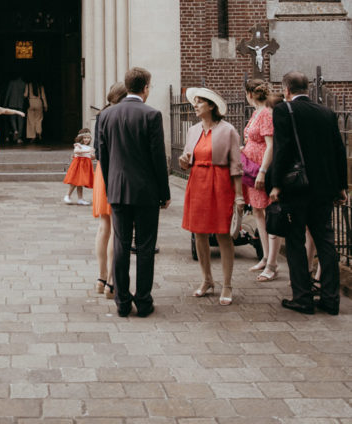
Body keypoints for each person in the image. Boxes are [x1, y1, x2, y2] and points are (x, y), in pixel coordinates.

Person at [270, 70, 348, 316]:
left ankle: (302, 297)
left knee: (295, 241)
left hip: (296, 188)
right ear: (308, 89)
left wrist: (276, 184)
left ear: (286, 89)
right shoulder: (326, 112)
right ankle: (331, 299)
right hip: (324, 188)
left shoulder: (284, 110)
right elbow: (338, 151)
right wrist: (342, 186)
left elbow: (282, 149)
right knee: (326, 242)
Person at [99, 67, 170, 318]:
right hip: (146, 192)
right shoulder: (152, 115)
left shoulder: (106, 116)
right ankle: (143, 300)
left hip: (118, 190)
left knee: (120, 245)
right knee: (145, 246)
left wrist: (111, 186)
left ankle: (121, 301)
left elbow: (103, 157)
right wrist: (164, 192)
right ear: (146, 87)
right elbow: (158, 158)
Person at [180, 86, 244, 306]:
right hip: (198, 183)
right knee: (199, 233)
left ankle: (227, 284)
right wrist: (184, 161)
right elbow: (189, 158)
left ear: (211, 106)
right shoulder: (193, 130)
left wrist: (239, 197)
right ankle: (207, 279)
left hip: (221, 184)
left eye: (199, 102)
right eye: (194, 101)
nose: (195, 105)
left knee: (223, 234)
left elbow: (236, 165)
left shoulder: (228, 131)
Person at [242, 79, 280, 280]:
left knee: (269, 212)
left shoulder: (265, 113)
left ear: (249, 94)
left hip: (261, 169)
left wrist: (264, 171)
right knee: (258, 211)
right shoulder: (256, 113)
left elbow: (270, 144)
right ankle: (265, 256)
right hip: (251, 168)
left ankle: (272, 263)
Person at [92, 83, 127, 298]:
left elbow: (97, 149)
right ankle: (112, 282)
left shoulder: (102, 115)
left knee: (103, 225)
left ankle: (101, 277)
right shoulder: (122, 115)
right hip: (119, 171)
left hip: (102, 173)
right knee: (117, 228)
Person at [62, 128, 95, 204]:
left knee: (80, 183)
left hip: (85, 166)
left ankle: (80, 199)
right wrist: (87, 151)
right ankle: (68, 195)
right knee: (74, 182)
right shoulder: (79, 145)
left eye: (88, 138)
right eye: (85, 138)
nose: (86, 140)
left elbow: (91, 157)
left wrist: (93, 155)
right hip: (78, 165)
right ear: (81, 138)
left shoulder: (89, 148)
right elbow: (76, 151)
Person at [2, 74, 26, 143]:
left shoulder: (11, 83)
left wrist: (5, 104)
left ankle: (15, 130)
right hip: (20, 104)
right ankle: (19, 138)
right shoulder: (24, 84)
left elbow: (8, 94)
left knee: (12, 119)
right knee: (20, 121)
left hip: (11, 104)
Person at [23, 78, 48, 143]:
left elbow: (25, 94)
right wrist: (45, 105)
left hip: (31, 102)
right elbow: (43, 96)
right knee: (39, 119)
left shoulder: (28, 85)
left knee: (31, 120)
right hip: (38, 102)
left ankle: (32, 136)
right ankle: (38, 132)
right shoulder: (40, 86)